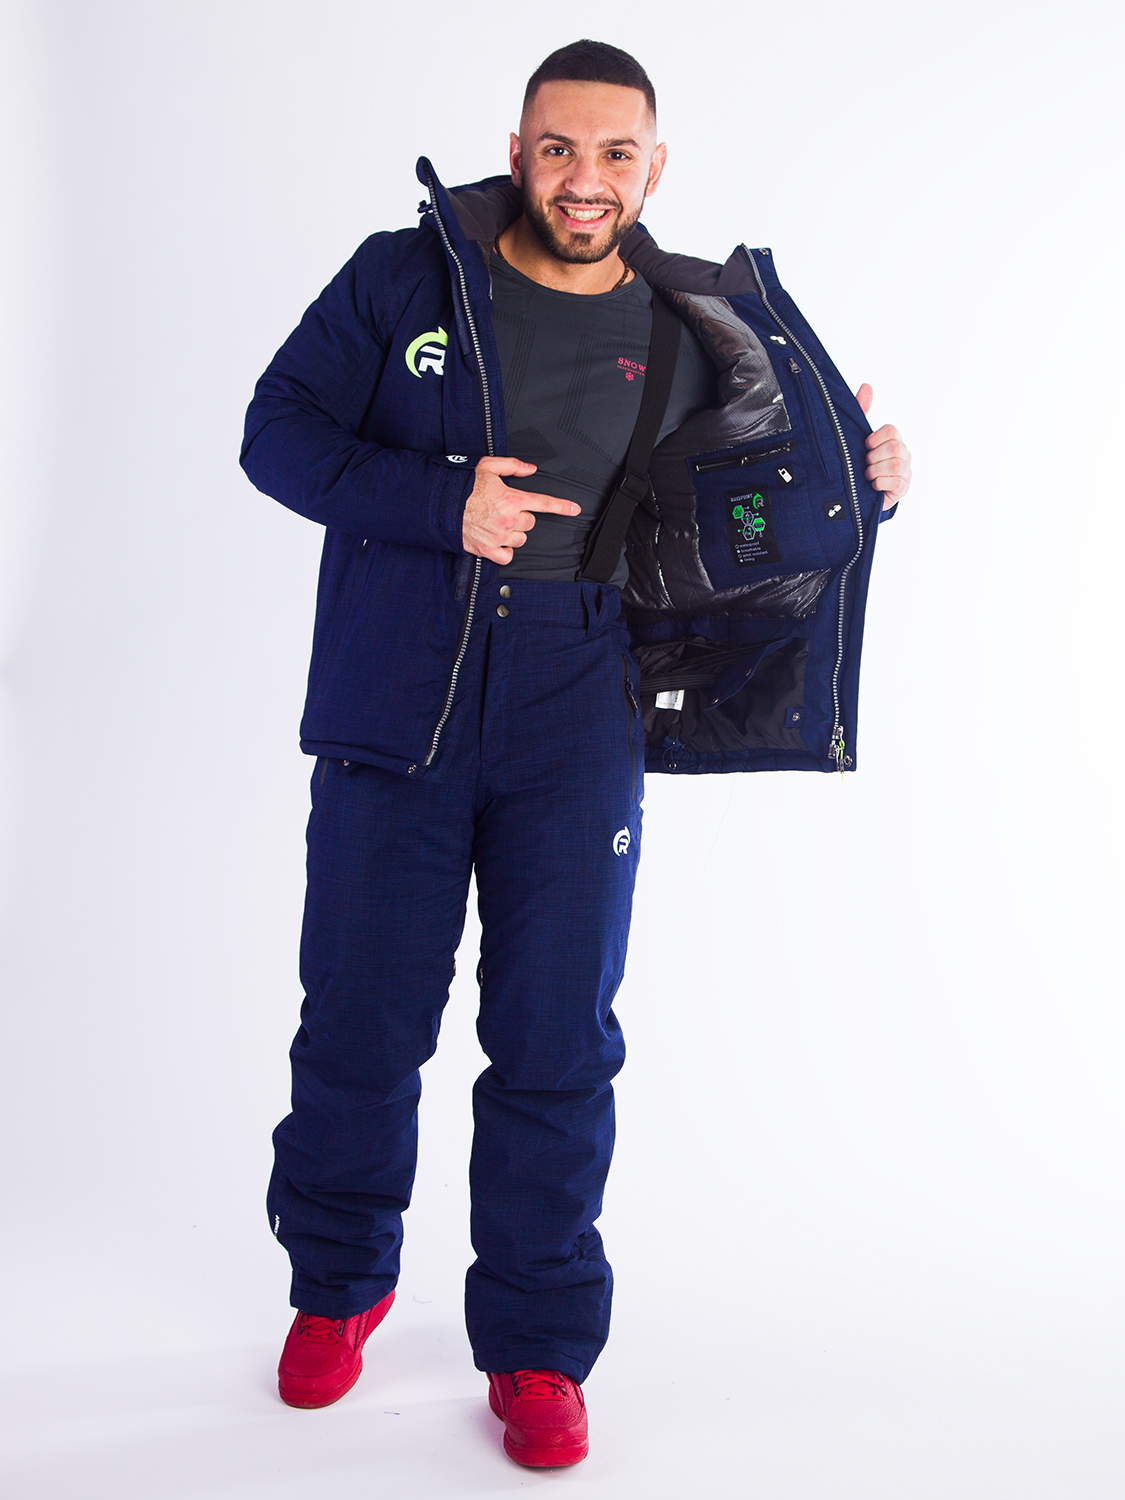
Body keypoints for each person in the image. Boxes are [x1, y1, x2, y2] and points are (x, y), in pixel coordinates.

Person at [240, 39, 912, 1469]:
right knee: (361, 1022)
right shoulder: (407, 277)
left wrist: (868, 491)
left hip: (576, 700)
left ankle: (539, 1345)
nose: (585, 178)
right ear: (518, 150)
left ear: (654, 169)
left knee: (556, 1041)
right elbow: (273, 435)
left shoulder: (688, 326)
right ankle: (336, 1288)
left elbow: (755, 510)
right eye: (559, 148)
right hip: (398, 690)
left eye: (615, 154)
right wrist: (438, 502)